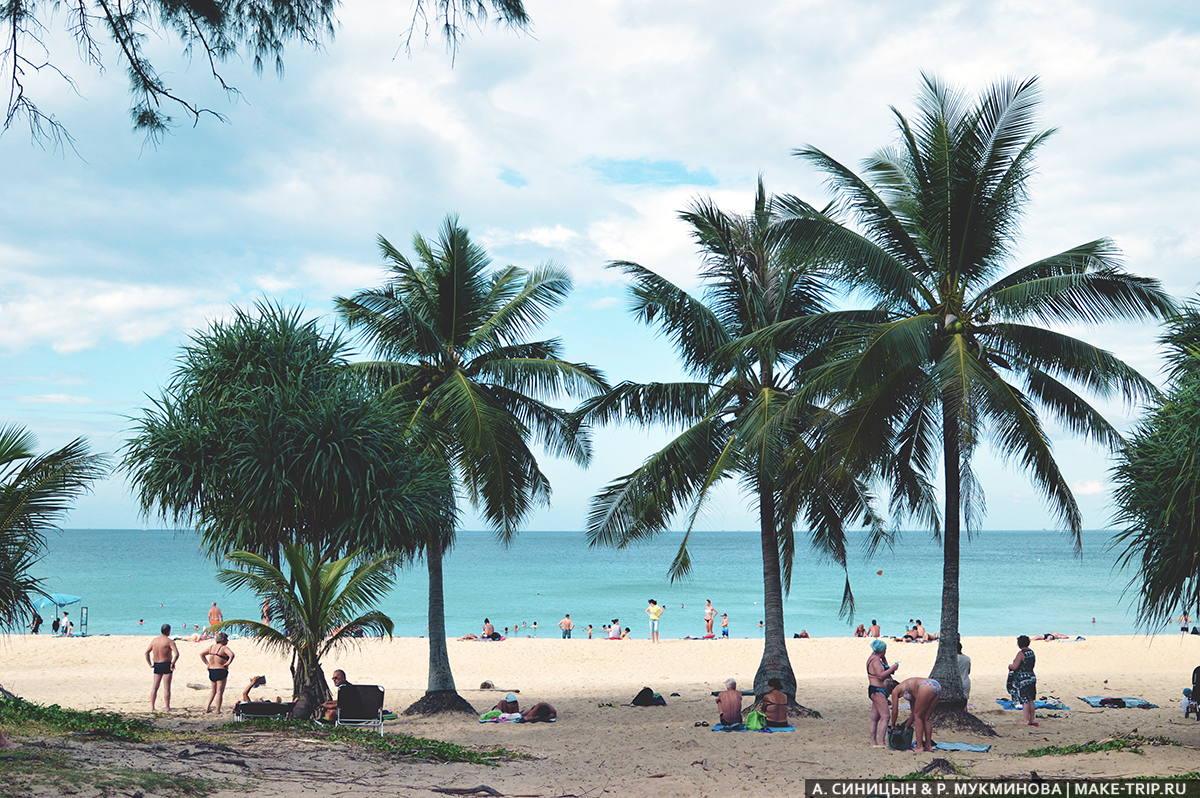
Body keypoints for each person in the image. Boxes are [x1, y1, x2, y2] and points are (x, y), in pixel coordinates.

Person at [889, 677, 941, 752]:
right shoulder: (909, 688)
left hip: (925, 686)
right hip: (936, 685)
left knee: (918, 716)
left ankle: (919, 747)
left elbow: (894, 711)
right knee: (926, 718)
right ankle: (928, 746)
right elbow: (913, 712)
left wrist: (893, 724)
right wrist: (907, 725)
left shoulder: (895, 690)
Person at [867, 638, 900, 746]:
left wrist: (885, 660)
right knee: (885, 716)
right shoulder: (875, 661)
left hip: (877, 690)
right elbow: (881, 675)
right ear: (882, 650)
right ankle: (881, 742)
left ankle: (873, 741)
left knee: (875, 717)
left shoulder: (876, 658)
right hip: (878, 690)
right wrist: (894, 667)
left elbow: (885, 669)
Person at [146, 623, 180, 711]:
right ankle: (167, 706)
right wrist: (173, 663)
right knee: (166, 687)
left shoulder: (154, 640)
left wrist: (150, 663)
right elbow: (176, 654)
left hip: (157, 664)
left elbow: (146, 652)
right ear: (168, 631)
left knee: (155, 686)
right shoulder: (169, 641)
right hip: (166, 664)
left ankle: (152, 707)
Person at [200, 633, 235, 713]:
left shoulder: (211, 647)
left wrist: (207, 663)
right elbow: (232, 655)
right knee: (219, 691)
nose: (228, 640)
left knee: (213, 690)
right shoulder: (223, 648)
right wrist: (228, 663)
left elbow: (201, 654)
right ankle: (217, 710)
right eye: (226, 639)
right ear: (223, 640)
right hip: (220, 670)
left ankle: (207, 707)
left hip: (211, 670)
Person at [1008, 635, 1038, 726]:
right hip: (1031, 676)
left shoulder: (1021, 653)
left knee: (1025, 700)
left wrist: (1010, 666)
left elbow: (1015, 666)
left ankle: (1026, 720)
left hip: (1023, 678)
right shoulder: (1031, 652)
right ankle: (1031, 719)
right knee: (1031, 700)